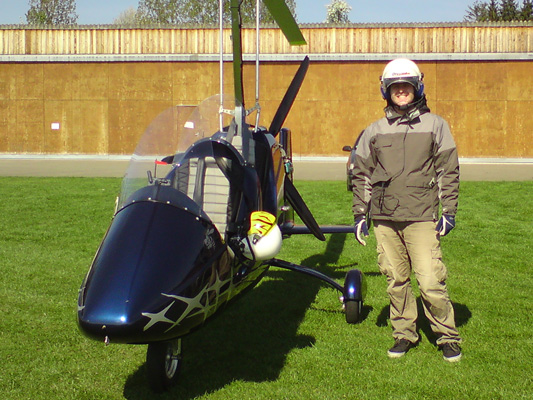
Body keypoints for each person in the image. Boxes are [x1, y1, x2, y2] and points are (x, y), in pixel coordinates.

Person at [351, 58, 462, 362]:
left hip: (421, 217)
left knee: (429, 280)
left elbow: (448, 170)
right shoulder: (374, 131)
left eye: (406, 86)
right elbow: (360, 173)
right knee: (396, 280)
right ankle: (403, 334)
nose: (401, 92)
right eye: (396, 87)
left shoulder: (435, 125)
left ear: (417, 88)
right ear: (386, 91)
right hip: (385, 220)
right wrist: (361, 215)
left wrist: (448, 211)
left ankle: (447, 336)